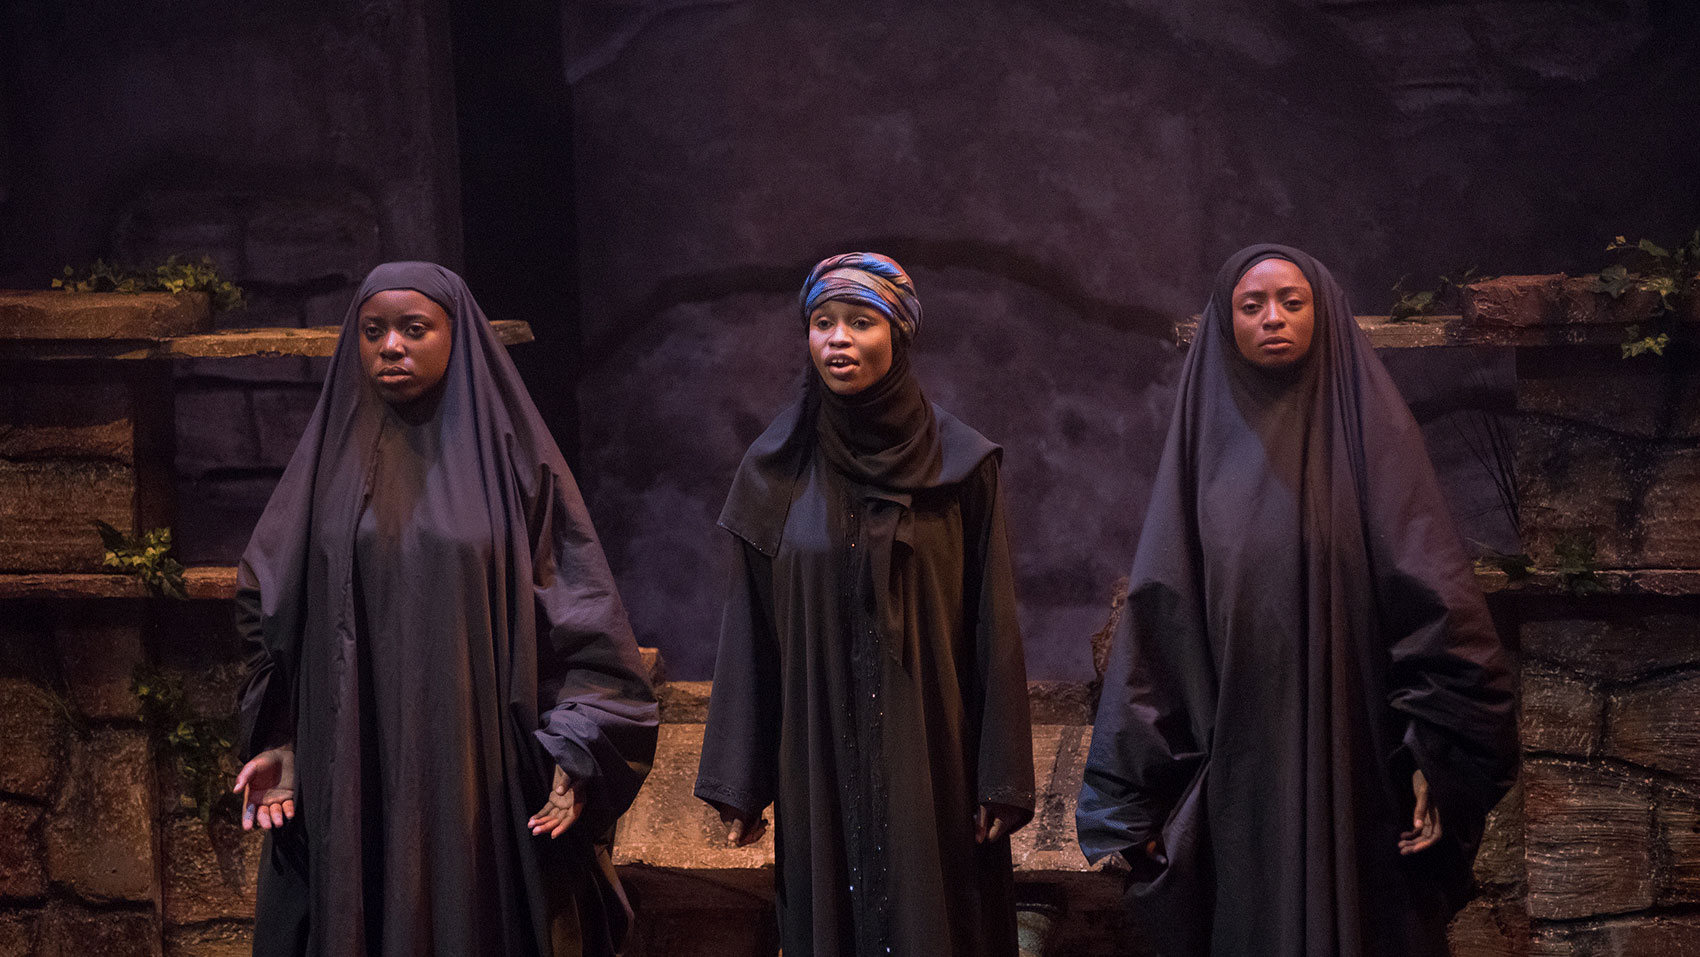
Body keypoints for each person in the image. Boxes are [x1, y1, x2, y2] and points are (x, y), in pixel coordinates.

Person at [1076, 244, 1518, 956]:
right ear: (1227, 322)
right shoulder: (1201, 452)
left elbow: (1436, 594)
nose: (1273, 318)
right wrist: (1136, 791)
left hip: (1361, 764)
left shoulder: (1377, 441)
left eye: (1291, 301)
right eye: (1252, 306)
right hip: (1241, 768)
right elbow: (1162, 614)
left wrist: (1439, 751)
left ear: (1324, 314)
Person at [230, 262, 658, 957]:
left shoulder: (517, 467)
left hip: (479, 779)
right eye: (373, 332)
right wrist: (284, 740)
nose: (391, 346)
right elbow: (270, 608)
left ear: (456, 339)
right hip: (354, 769)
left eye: (413, 329)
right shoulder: (325, 472)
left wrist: (578, 747)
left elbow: (584, 616)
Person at [695, 252, 1036, 956]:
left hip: (933, 751)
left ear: (899, 334)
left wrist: (1000, 772)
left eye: (860, 320)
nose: (838, 339)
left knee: (937, 915)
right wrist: (741, 776)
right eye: (822, 322)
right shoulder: (775, 470)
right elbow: (750, 631)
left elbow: (992, 622)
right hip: (817, 751)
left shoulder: (961, 464)